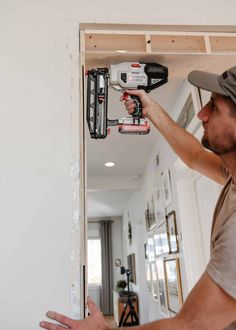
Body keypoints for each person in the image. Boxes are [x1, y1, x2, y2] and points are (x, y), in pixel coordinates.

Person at [40, 66, 236, 330]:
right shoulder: (231, 174)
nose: (202, 113)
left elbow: (189, 326)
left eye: (214, 107)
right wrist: (151, 108)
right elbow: (196, 156)